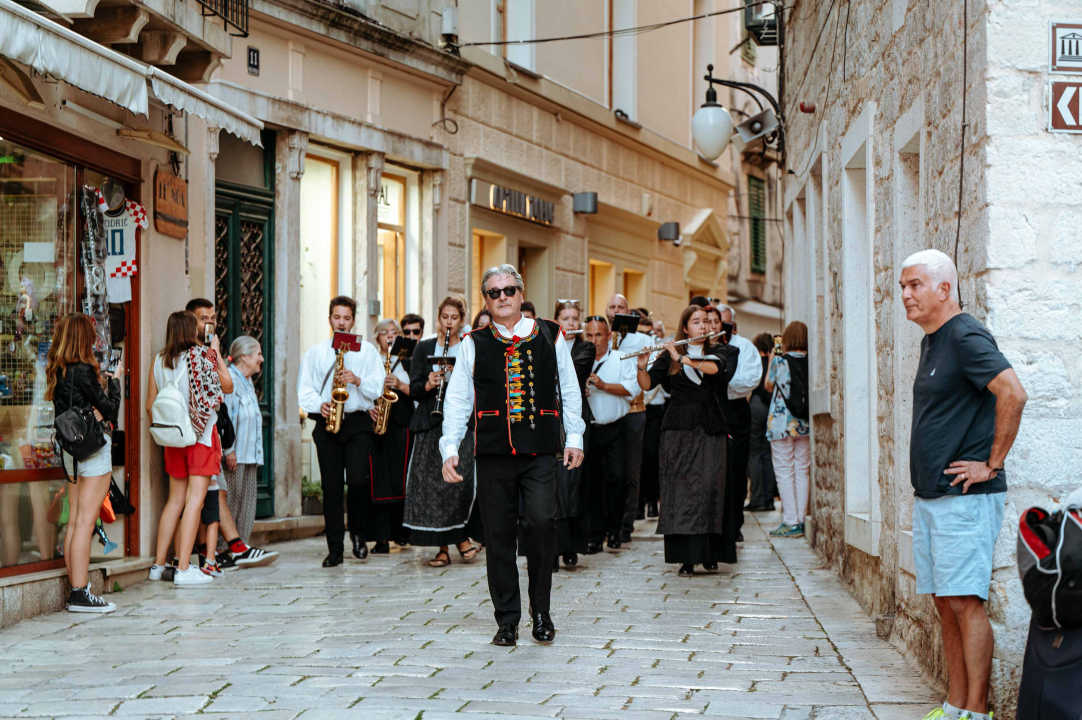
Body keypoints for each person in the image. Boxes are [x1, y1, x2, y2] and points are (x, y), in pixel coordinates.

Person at [899, 250, 1026, 720]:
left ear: (943, 289)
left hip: (964, 499)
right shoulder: (934, 339)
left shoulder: (966, 334)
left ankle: (977, 711)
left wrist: (990, 465)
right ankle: (954, 705)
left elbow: (1013, 392)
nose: (907, 295)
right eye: (903, 287)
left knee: (965, 602)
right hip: (933, 496)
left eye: (915, 285)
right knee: (944, 601)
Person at [440, 264, 584, 647]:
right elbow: (456, 401)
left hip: (539, 451)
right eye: (493, 293)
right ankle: (507, 620)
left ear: (520, 294)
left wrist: (576, 438)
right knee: (499, 536)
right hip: (492, 453)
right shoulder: (473, 342)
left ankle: (541, 612)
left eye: (508, 290)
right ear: (486, 300)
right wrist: (449, 448)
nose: (502, 297)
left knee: (540, 524)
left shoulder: (551, 334)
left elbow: (569, 390)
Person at [635, 305, 733, 576]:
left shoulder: (718, 350)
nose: (703, 326)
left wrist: (683, 358)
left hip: (710, 427)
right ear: (685, 328)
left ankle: (711, 553)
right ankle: (686, 558)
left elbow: (715, 370)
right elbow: (646, 384)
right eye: (696, 322)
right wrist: (642, 366)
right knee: (681, 490)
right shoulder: (670, 354)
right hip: (677, 428)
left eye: (705, 322)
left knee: (710, 488)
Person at [185, 299, 275, 571]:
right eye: (204, 318)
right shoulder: (195, 356)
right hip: (200, 441)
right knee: (210, 498)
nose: (210, 324)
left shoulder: (209, 355)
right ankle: (216, 553)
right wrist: (228, 449)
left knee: (213, 498)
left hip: (210, 441)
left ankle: (227, 550)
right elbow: (226, 390)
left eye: (213, 318)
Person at [298, 296, 385, 568]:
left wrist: (356, 379)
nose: (342, 323)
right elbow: (305, 390)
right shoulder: (316, 353)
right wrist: (319, 405)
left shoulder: (367, 351)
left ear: (353, 320)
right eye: (337, 317)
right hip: (328, 423)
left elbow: (378, 387)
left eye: (347, 318)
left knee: (358, 481)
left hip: (358, 422)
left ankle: (358, 533)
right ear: (329, 319)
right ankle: (334, 549)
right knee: (331, 488)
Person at [146, 310, 232, 585]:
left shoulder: (159, 360)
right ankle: (183, 569)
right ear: (191, 331)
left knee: (174, 501)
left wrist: (171, 431)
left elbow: (150, 404)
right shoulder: (201, 355)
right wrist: (215, 352)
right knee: (195, 501)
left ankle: (158, 566)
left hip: (173, 440)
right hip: (201, 439)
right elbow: (227, 386)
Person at [46, 314, 122, 611]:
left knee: (75, 521)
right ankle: (78, 592)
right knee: (85, 522)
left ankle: (77, 588)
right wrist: (115, 382)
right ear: (85, 338)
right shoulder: (85, 371)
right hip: (91, 451)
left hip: (69, 452)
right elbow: (111, 411)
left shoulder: (59, 370)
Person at [404, 298, 481, 566]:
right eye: (444, 317)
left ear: (461, 320)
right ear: (439, 318)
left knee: (457, 484)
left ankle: (462, 538)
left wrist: (456, 377)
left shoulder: (469, 346)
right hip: (429, 423)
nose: (449, 322)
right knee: (433, 487)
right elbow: (412, 388)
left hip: (460, 424)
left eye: (454, 317)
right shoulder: (425, 347)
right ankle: (443, 548)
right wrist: (428, 383)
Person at [582, 314, 639, 552]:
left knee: (616, 480)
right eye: (590, 335)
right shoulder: (580, 358)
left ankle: (614, 532)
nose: (594, 340)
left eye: (598, 335)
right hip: (589, 431)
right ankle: (595, 535)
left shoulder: (621, 357)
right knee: (592, 483)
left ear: (609, 335)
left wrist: (603, 386)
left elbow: (632, 390)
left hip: (616, 429)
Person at [220, 335, 279, 566]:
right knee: (232, 502)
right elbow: (226, 418)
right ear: (244, 356)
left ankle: (241, 546)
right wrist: (229, 450)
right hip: (236, 454)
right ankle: (225, 550)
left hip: (249, 455)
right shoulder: (230, 380)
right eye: (258, 355)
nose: (261, 359)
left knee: (247, 503)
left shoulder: (247, 382)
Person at [605, 294, 650, 543]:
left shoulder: (642, 339)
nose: (616, 311)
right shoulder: (601, 335)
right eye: (612, 307)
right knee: (610, 471)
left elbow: (649, 377)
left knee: (631, 470)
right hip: (608, 411)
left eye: (620, 307)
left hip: (633, 410)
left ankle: (626, 524)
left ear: (628, 311)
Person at [552, 299, 594, 568]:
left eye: (574, 318)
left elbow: (573, 373)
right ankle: (553, 548)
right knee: (552, 484)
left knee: (572, 483)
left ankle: (571, 546)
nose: (570, 323)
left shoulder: (585, 347)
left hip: (576, 420)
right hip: (550, 419)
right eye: (565, 318)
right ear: (556, 320)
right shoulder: (546, 342)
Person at [717, 305, 762, 541]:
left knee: (736, 467)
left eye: (725, 323)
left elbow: (751, 379)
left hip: (736, 409)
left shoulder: (745, 347)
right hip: (712, 408)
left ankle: (735, 525)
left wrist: (723, 382)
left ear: (733, 325)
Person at [764, 321, 811, 538]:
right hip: (803, 423)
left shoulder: (781, 361)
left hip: (782, 423)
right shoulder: (811, 360)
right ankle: (801, 520)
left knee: (784, 471)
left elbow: (768, 385)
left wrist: (772, 360)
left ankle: (791, 521)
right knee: (802, 470)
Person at [370, 318, 412, 551]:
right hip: (378, 424)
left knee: (400, 479)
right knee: (379, 481)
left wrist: (398, 382)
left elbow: (414, 391)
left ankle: (402, 532)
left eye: (394, 332)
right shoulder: (371, 359)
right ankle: (381, 537)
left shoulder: (406, 361)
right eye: (385, 332)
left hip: (400, 423)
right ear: (377, 338)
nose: (390, 336)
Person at [746, 333, 778, 512]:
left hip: (757, 405)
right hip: (771, 407)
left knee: (754, 454)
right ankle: (769, 499)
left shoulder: (755, 361)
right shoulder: (774, 361)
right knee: (767, 454)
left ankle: (757, 499)